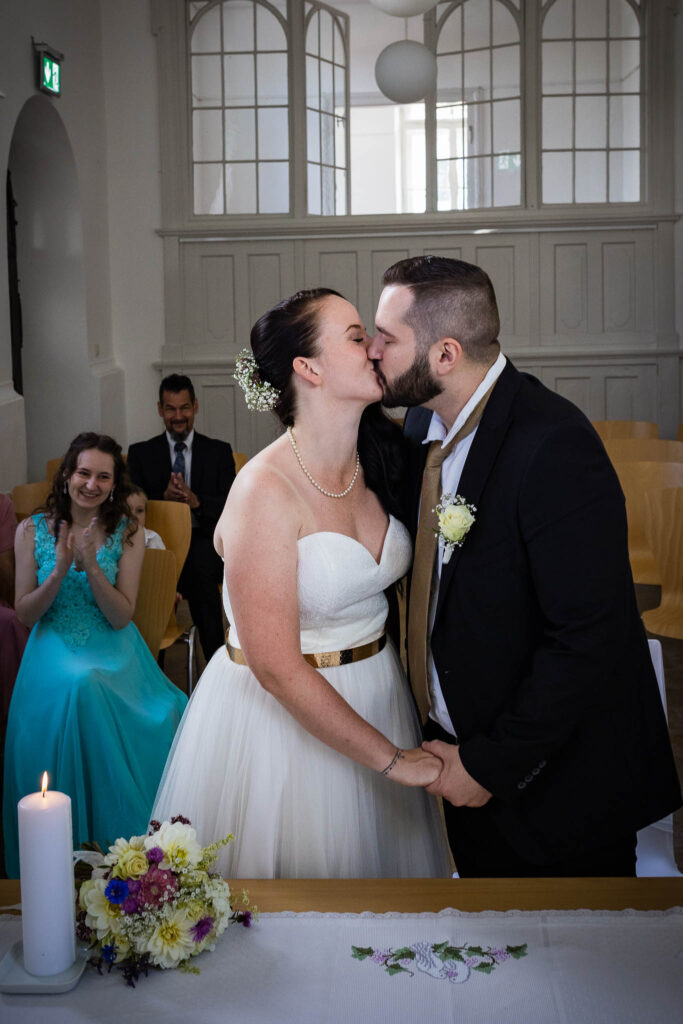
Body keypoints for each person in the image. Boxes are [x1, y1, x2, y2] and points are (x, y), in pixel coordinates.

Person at [368, 255, 682, 878]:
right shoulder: (418, 426)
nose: (372, 350)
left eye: (388, 337)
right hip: (459, 759)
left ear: (446, 354)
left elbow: (588, 638)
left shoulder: (554, 443)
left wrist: (491, 766)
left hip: (559, 789)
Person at [153, 289, 451, 878]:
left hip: (378, 692)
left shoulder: (388, 456)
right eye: (355, 335)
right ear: (308, 368)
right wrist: (394, 761)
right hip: (281, 726)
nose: (374, 348)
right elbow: (275, 667)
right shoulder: (263, 489)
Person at [3, 433, 187, 876]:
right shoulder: (30, 530)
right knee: (78, 685)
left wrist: (90, 565)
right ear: (67, 474)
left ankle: (118, 847)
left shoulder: (128, 531)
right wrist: (61, 569)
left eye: (103, 476)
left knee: (106, 690)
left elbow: (122, 615)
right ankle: (62, 852)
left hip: (112, 647)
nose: (92, 484)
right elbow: (26, 614)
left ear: (114, 483)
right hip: (53, 646)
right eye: (84, 472)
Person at [127, 374, 236, 661]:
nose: (178, 416)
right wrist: (162, 500)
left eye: (184, 408)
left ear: (196, 406)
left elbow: (232, 506)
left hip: (202, 542)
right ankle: (152, 670)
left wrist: (196, 501)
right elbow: (129, 509)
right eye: (171, 409)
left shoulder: (219, 452)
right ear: (160, 409)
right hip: (155, 546)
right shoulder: (140, 454)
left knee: (199, 570)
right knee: (158, 568)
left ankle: (216, 664)